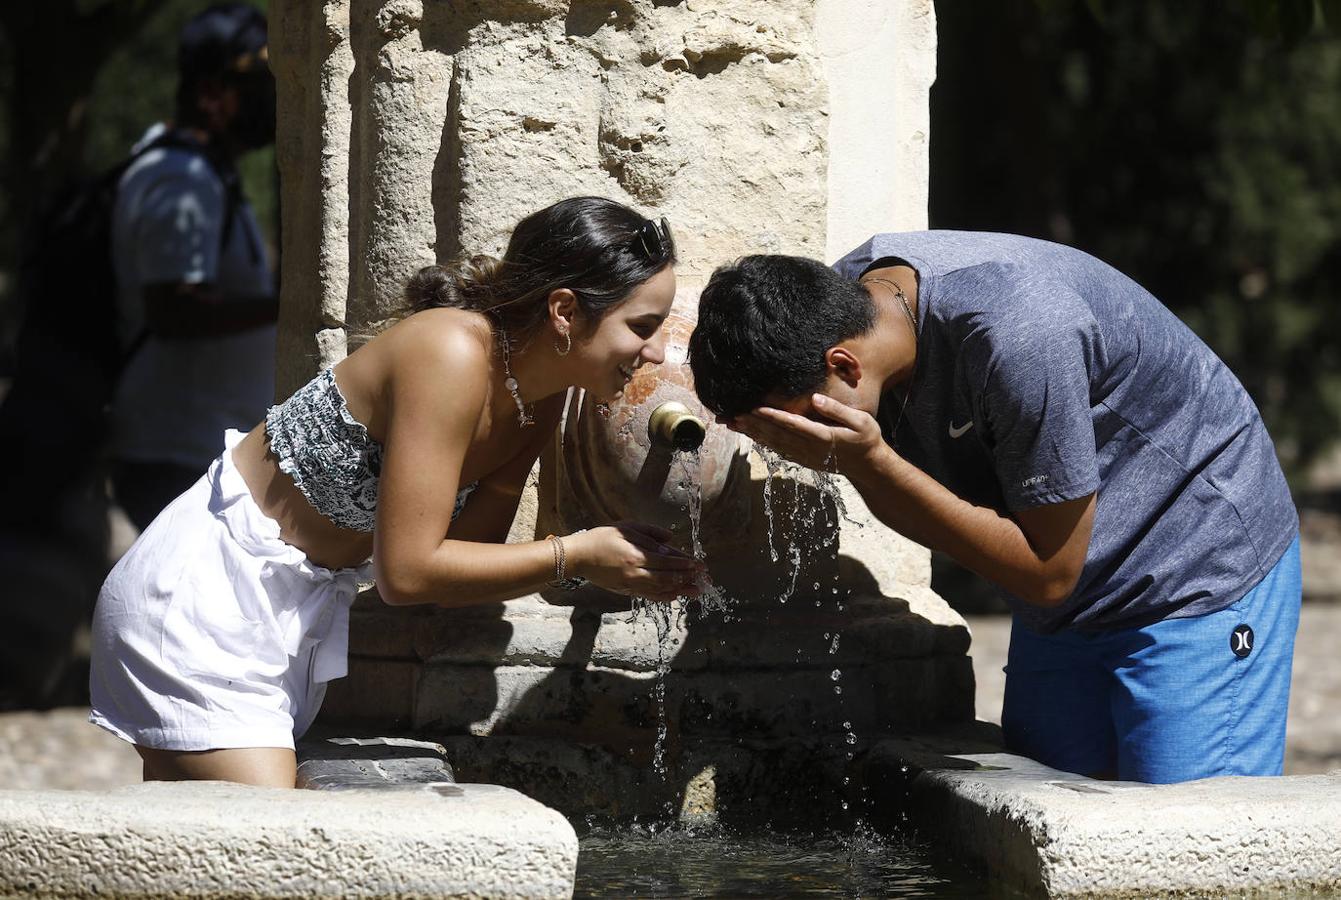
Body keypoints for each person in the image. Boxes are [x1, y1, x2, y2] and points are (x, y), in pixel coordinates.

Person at [90, 196, 704, 788]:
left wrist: (605, 566)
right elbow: (407, 574)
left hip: (287, 619)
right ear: (565, 311)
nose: (653, 353)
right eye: (642, 327)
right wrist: (579, 553)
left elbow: (462, 567)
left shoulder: (537, 404)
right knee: (271, 843)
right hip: (206, 594)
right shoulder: (449, 350)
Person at [687, 231, 1300, 784]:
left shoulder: (1021, 337)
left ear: (842, 366)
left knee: (1182, 843)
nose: (781, 450)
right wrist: (866, 463)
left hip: (1193, 572)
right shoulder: (841, 308)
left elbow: (1048, 570)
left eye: (780, 426)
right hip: (1061, 601)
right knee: (1051, 833)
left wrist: (869, 463)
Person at [108, 2, 280, 530]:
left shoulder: (204, 174)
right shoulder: (181, 178)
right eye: (255, 87)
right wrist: (287, 306)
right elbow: (174, 310)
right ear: (211, 92)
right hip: (178, 450)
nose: (270, 101)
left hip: (195, 446)